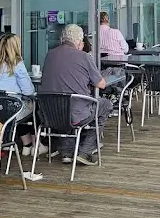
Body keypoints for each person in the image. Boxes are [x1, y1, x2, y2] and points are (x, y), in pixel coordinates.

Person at [39, 24, 108, 167]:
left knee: (64, 104)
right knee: (105, 105)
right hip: (76, 114)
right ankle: (85, 151)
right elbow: (101, 84)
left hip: (50, 115)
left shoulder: (49, 55)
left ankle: (67, 152)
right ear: (79, 41)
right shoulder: (83, 56)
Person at [0, 33, 38, 153]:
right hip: (9, 111)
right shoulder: (16, 64)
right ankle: (33, 144)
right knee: (33, 105)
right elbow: (29, 91)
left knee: (19, 105)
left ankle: (26, 143)